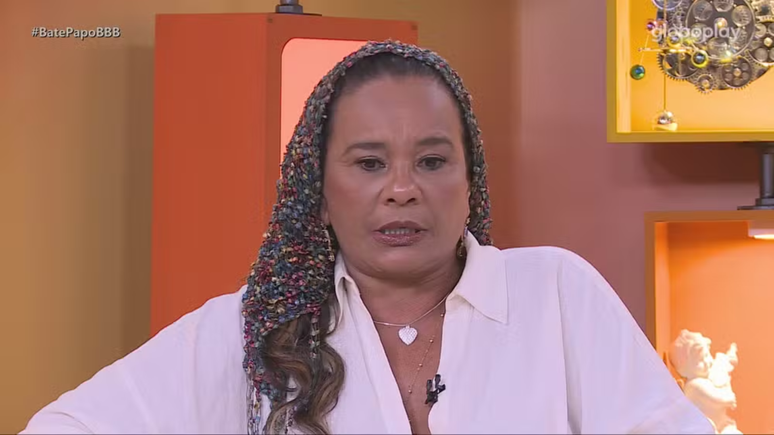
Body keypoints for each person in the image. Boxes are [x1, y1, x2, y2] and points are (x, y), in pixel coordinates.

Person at [21, 40, 714, 435]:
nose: (402, 189)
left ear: (470, 181)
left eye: (432, 161)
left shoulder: (557, 293)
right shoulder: (255, 329)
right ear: (319, 192)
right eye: (370, 163)